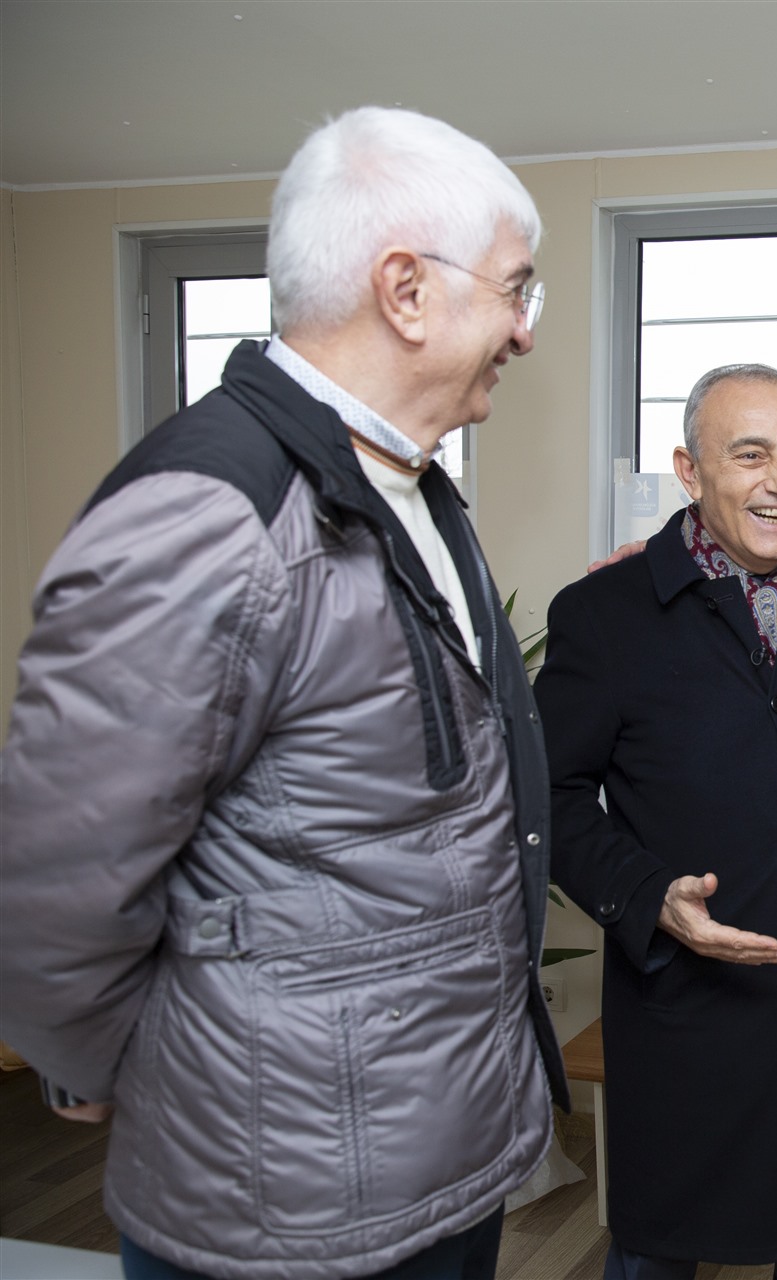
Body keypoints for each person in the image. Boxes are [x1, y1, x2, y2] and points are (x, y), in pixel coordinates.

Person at [0, 107, 565, 1280]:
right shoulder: (209, 513)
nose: (524, 327)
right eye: (517, 288)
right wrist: (117, 1070)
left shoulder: (410, 484)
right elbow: (60, 873)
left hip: (438, 1159)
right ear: (405, 290)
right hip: (288, 1200)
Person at [536, 364, 777, 1280]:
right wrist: (646, 895)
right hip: (690, 1019)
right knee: (660, 1251)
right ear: (689, 472)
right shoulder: (604, 615)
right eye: (750, 455)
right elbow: (543, 793)